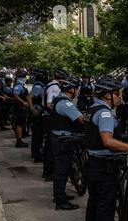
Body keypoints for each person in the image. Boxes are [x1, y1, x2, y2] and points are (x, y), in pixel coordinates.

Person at [84, 76, 128, 221]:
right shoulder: (106, 113)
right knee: (105, 205)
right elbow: (108, 141)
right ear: (108, 95)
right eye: (117, 94)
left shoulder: (91, 109)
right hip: (104, 165)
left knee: (94, 201)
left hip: (93, 162)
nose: (120, 98)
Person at [51, 77, 83, 210]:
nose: (78, 91)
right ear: (71, 89)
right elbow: (80, 119)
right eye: (77, 88)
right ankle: (60, 201)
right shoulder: (65, 104)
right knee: (62, 171)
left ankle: (59, 195)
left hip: (58, 138)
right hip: (63, 140)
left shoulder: (58, 98)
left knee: (61, 169)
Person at [42, 69, 68, 181]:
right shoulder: (55, 87)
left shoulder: (51, 84)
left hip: (49, 117)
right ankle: (49, 172)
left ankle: (48, 171)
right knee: (51, 147)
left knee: (49, 146)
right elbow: (49, 104)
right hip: (50, 118)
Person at [28, 69, 49, 162]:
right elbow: (29, 97)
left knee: (37, 134)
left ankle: (35, 153)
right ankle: (37, 154)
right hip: (38, 113)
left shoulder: (39, 85)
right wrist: (33, 109)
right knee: (38, 135)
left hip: (38, 112)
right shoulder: (38, 86)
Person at [12, 70, 30, 148]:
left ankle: (20, 138)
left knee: (21, 123)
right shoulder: (18, 85)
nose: (25, 78)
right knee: (19, 124)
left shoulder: (21, 84)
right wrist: (23, 102)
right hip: (19, 107)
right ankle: (19, 141)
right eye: (24, 76)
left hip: (21, 107)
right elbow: (15, 95)